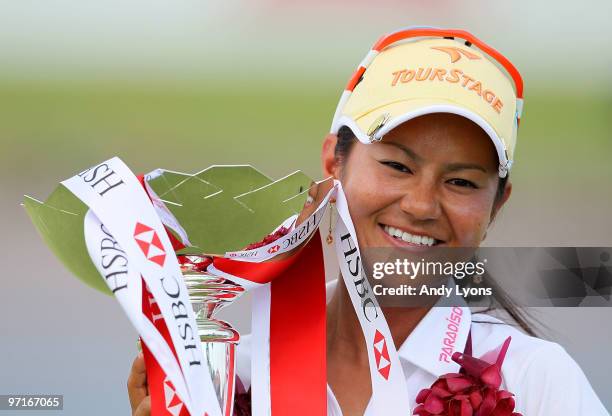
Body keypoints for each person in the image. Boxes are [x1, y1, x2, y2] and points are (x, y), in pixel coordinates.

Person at [128, 28, 609, 416]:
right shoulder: (235, 378)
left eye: (461, 182)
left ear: (497, 206)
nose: (421, 206)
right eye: (398, 167)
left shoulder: (535, 383)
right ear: (333, 164)